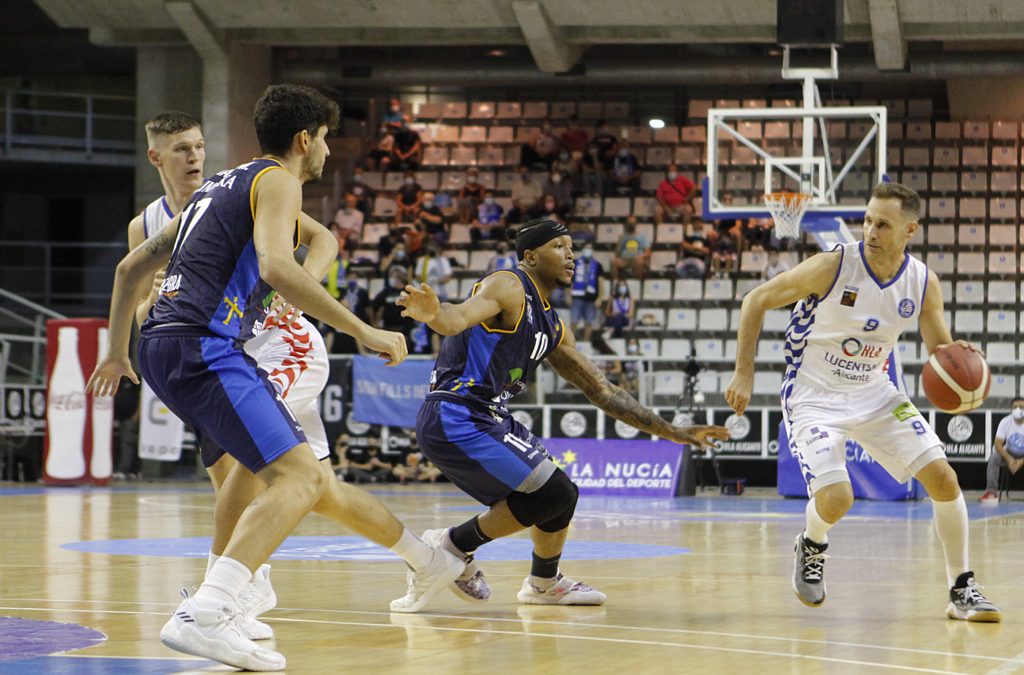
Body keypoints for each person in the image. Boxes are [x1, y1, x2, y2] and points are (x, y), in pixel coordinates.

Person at [87, 86, 465, 671]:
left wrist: (116, 351)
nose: (329, 151)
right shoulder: (279, 180)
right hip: (206, 346)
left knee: (305, 481)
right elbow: (275, 265)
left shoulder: (217, 187)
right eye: (327, 138)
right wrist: (364, 330)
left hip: (166, 347)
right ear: (303, 139)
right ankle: (213, 607)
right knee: (294, 478)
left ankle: (414, 560)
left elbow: (130, 267)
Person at [396, 218, 729, 609]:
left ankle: (543, 583)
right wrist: (432, 314)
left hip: (487, 416)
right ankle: (451, 547)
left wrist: (670, 431)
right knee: (555, 492)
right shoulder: (509, 285)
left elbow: (602, 391)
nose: (571, 254)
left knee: (560, 498)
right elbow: (455, 319)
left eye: (572, 246)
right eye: (559, 246)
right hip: (456, 412)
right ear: (531, 256)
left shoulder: (552, 324)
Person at [724, 181, 1001, 623]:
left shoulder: (922, 282)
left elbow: (938, 349)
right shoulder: (833, 265)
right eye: (868, 220)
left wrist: (957, 360)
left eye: (883, 224)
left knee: (944, 480)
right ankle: (812, 543)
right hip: (813, 395)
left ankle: (961, 587)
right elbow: (756, 300)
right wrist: (744, 371)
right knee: (837, 499)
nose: (871, 230)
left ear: (909, 229)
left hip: (875, 391)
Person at [980, 397, 1024, 504]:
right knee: (994, 457)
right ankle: (991, 492)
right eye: (1015, 407)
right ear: (1011, 409)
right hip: (1009, 452)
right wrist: (1010, 460)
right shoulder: (1005, 422)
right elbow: (998, 444)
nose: (1018, 409)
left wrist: (1021, 461)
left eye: (1021, 407)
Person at [569, 243, 603, 343]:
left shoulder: (597, 265)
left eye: (590, 248)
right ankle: (571, 344)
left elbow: (601, 283)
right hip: (576, 297)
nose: (587, 250)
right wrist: (568, 295)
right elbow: (569, 280)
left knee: (589, 323)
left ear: (593, 251)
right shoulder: (575, 263)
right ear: (582, 250)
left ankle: (586, 343)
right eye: (586, 248)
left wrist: (600, 298)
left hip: (591, 298)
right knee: (573, 322)